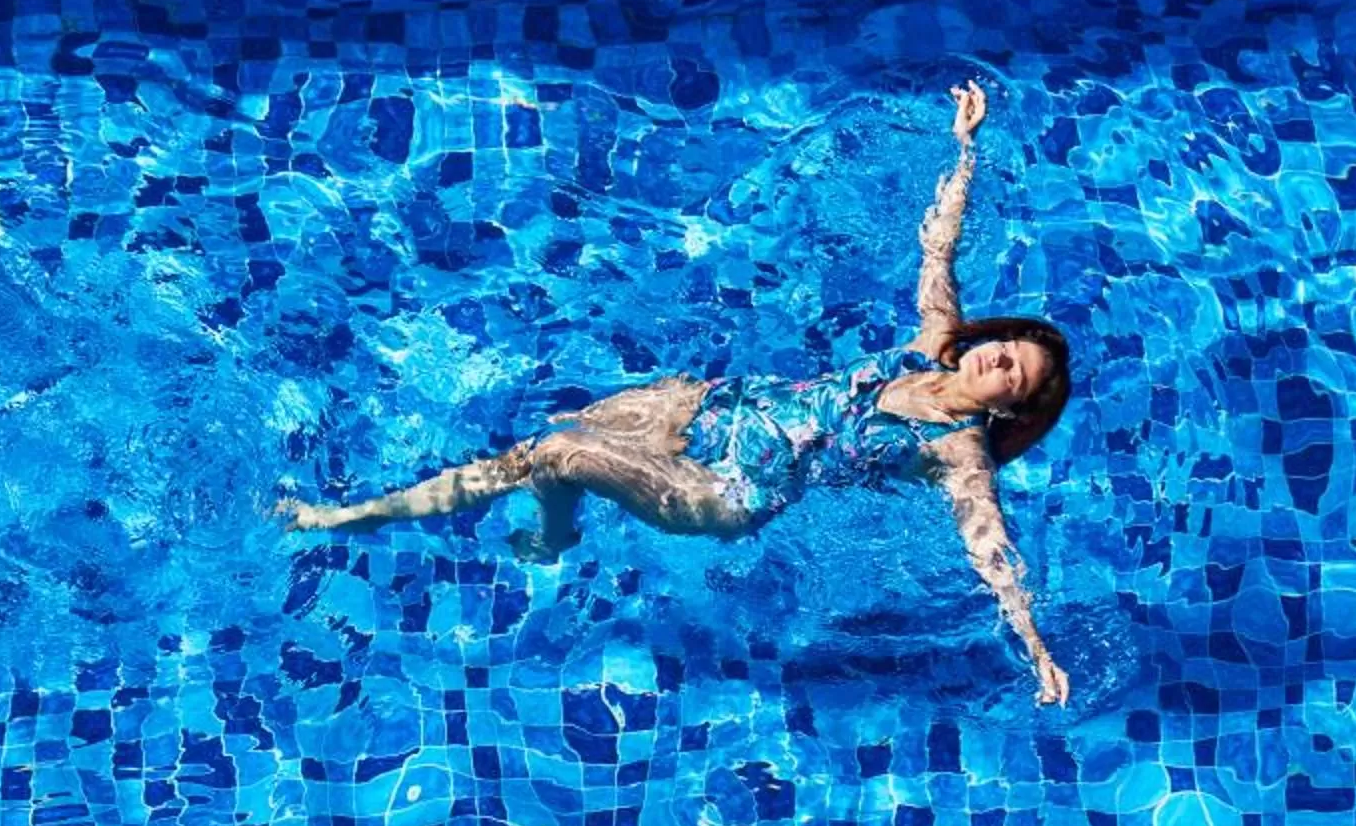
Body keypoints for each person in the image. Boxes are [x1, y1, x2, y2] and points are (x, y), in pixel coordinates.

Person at [278, 83, 1074, 704]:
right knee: (551, 437)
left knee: (556, 455)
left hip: (730, 487)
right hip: (715, 407)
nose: (998, 360)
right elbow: (939, 248)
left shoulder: (956, 450)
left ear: (1009, 409)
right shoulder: (932, 343)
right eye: (1005, 348)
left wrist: (1035, 647)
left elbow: (990, 547)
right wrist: (964, 151)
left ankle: (353, 519)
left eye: (1014, 376)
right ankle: (552, 522)